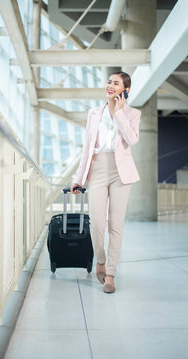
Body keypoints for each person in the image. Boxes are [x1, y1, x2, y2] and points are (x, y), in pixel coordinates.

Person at [70, 71, 141, 293]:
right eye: (109, 82)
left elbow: (131, 140)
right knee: (97, 223)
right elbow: (87, 148)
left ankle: (110, 274)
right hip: (98, 169)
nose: (110, 85)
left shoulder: (132, 113)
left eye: (116, 83)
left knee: (116, 225)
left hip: (121, 173)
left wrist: (119, 113)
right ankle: (99, 259)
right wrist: (78, 179)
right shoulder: (94, 113)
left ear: (125, 90)